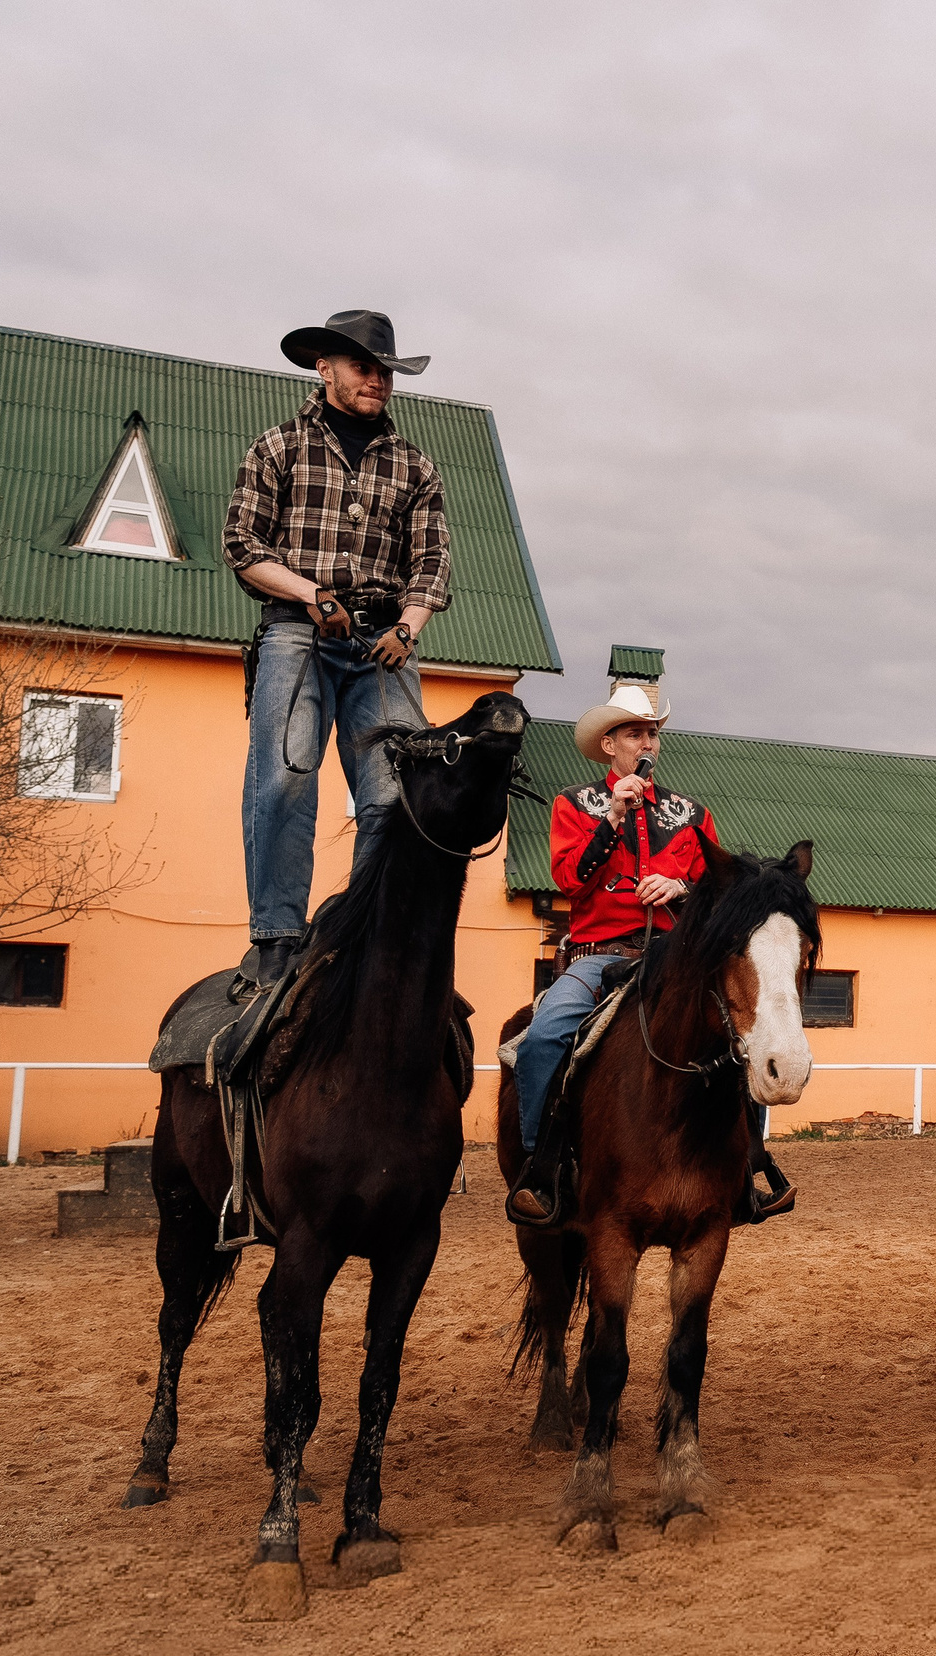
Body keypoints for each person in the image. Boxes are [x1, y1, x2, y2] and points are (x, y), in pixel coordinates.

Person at [504, 683, 788, 1229]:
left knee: (739, 1035)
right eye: (634, 733)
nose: (647, 742)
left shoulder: (692, 814)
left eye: (652, 733)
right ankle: (543, 1168)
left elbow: (721, 896)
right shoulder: (573, 804)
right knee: (544, 1036)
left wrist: (682, 888)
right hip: (597, 955)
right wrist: (612, 818)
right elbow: (568, 880)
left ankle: (750, 1168)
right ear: (609, 745)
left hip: (675, 958)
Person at [223, 310, 451, 987]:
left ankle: (368, 931)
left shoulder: (415, 466)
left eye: (386, 371)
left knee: (393, 794)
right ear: (325, 369)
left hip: (384, 641)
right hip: (299, 631)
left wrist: (408, 627)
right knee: (286, 773)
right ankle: (277, 935)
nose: (378, 380)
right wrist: (311, 594)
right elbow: (242, 546)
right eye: (363, 367)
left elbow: (432, 563)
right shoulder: (278, 447)